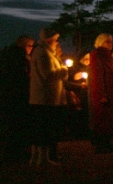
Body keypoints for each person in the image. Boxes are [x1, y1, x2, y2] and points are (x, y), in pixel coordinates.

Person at [28, 28, 68, 167]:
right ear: (49, 40)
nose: (57, 42)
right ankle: (41, 158)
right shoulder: (43, 53)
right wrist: (64, 69)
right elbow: (48, 74)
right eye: (56, 40)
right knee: (43, 129)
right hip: (44, 98)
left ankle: (37, 158)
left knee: (42, 128)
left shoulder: (48, 54)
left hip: (47, 98)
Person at [4, 35, 35, 162]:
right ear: (23, 45)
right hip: (19, 94)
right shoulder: (20, 58)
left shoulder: (19, 57)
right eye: (29, 45)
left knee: (17, 123)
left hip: (17, 93)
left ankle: (17, 151)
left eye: (32, 46)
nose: (31, 48)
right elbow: (21, 76)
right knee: (18, 122)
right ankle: (17, 152)